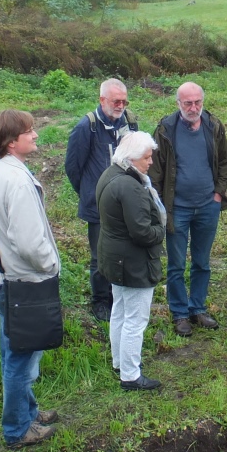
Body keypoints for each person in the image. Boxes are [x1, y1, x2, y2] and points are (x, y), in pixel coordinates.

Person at [0, 110, 61, 447]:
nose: (36, 135)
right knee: (20, 356)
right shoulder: (16, 181)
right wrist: (50, 265)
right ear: (12, 142)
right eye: (30, 131)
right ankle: (16, 429)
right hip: (23, 280)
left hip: (1, 276)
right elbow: (28, 240)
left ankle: (28, 412)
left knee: (13, 348)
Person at [148, 82, 227, 337]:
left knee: (202, 262)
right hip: (178, 209)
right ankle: (180, 313)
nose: (193, 107)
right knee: (175, 264)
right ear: (178, 104)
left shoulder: (213, 126)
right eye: (188, 103)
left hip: (208, 206)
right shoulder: (165, 130)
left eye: (197, 102)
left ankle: (198, 308)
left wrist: (218, 193)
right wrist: (161, 204)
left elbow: (225, 162)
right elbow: (155, 171)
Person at [96, 131, 165, 391]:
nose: (150, 162)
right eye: (146, 158)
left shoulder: (110, 173)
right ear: (132, 158)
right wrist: (162, 232)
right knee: (136, 319)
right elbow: (143, 232)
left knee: (120, 312)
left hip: (114, 257)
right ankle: (130, 376)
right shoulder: (131, 186)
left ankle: (120, 363)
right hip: (134, 261)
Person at [65, 79, 138, 322]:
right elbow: (73, 168)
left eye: (124, 101)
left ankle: (120, 297)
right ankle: (100, 301)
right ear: (102, 100)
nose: (120, 105)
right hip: (98, 206)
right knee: (100, 256)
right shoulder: (87, 127)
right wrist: (91, 193)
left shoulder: (130, 122)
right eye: (116, 101)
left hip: (125, 204)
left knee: (124, 251)